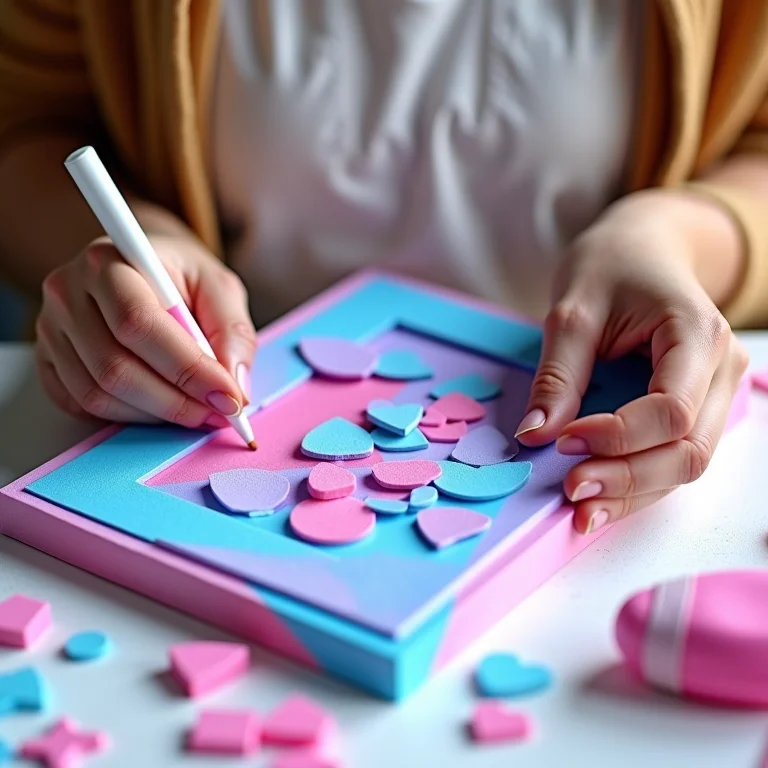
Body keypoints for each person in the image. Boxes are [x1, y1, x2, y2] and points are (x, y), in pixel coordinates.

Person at [1, 1, 767, 536]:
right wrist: (139, 247)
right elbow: (24, 121)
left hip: (589, 399)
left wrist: (675, 238)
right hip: (209, 376)